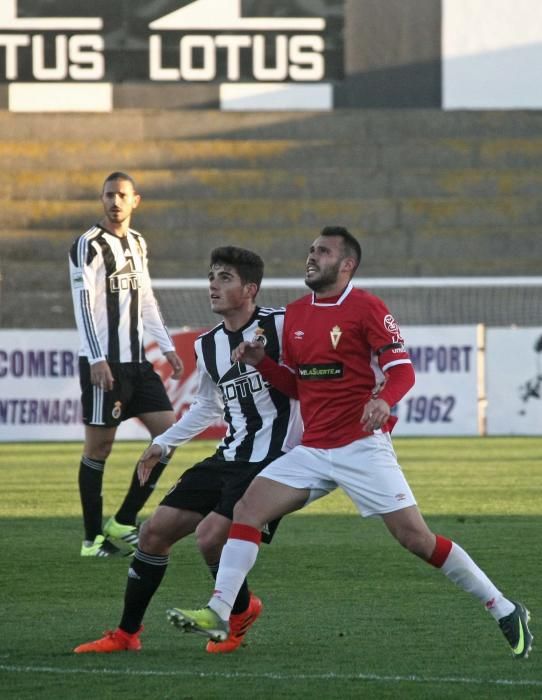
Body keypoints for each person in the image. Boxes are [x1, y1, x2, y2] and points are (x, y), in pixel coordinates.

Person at [170, 226, 533, 660]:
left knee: (417, 539)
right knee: (247, 508)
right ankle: (220, 610)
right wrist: (262, 363)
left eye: (322, 252)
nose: (311, 257)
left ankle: (505, 608)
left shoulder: (367, 308)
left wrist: (383, 400)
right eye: (310, 250)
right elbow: (299, 386)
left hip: (362, 446)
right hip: (313, 450)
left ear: (347, 265)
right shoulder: (298, 314)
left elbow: (403, 371)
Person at [73, 245, 302, 654]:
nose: (212, 284)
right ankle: (127, 635)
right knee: (154, 532)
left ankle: (236, 612)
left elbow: (315, 375)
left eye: (224, 277)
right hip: (230, 455)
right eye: (211, 276)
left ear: (250, 288)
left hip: (273, 460)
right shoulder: (208, 344)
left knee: (210, 536)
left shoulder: (284, 326)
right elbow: (206, 407)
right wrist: (162, 443)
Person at [69, 172, 183, 557]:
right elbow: (82, 305)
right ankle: (91, 539)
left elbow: (146, 298)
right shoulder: (87, 245)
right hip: (105, 362)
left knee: (168, 436)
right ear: (101, 200)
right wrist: (97, 358)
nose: (114, 201)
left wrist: (165, 347)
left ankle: (123, 518)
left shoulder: (137, 243)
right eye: (108, 195)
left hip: (138, 362)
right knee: (99, 448)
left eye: (121, 195)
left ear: (136, 200)